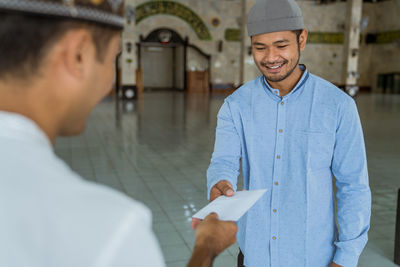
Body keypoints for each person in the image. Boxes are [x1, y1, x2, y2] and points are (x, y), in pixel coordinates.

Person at [0, 1, 237, 267]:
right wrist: (207, 247)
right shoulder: (107, 228)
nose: (110, 83)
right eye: (113, 58)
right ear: (78, 54)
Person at [204, 0, 371, 266]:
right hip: (254, 256)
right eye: (260, 47)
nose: (270, 57)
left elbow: (353, 186)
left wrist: (346, 258)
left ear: (301, 39)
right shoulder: (235, 106)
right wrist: (219, 182)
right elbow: (223, 162)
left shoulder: (338, 106)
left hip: (313, 258)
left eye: (281, 45)